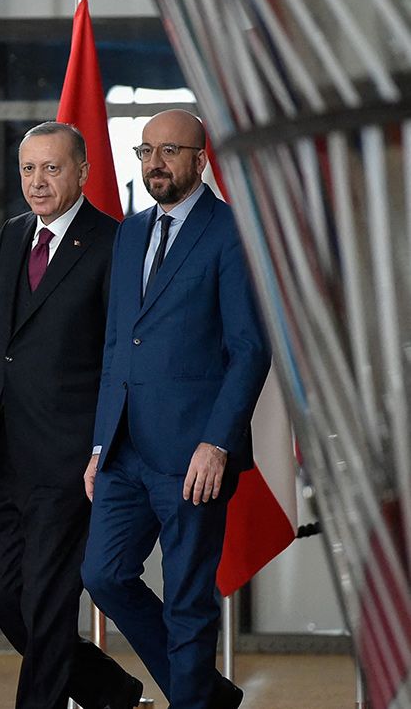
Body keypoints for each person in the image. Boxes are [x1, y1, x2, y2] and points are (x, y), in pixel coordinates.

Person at [0, 122, 143, 709]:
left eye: (52, 168)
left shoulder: (113, 243)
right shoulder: (15, 234)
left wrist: (105, 446)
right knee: (5, 599)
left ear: (82, 172)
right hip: (6, 451)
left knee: (47, 605)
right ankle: (109, 689)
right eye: (28, 169)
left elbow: (119, 354)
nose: (38, 181)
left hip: (71, 458)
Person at [81, 110, 270, 709]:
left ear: (199, 157)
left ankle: (193, 702)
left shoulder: (232, 232)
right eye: (145, 152)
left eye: (168, 151)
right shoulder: (130, 232)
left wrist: (218, 442)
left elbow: (249, 350)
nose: (154, 163)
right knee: (103, 575)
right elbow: (117, 341)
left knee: (188, 597)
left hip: (193, 455)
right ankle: (206, 696)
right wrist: (97, 444)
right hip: (123, 449)